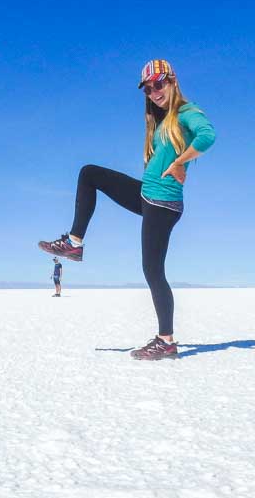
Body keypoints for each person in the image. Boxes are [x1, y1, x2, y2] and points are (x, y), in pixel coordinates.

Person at [38, 59, 216, 359]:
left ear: (172, 81)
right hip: (147, 195)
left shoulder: (186, 112)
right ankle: (74, 243)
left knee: (153, 270)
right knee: (89, 173)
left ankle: (166, 340)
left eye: (158, 85)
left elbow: (208, 135)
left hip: (162, 203)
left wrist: (180, 162)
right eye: (148, 89)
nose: (153, 92)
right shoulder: (159, 122)